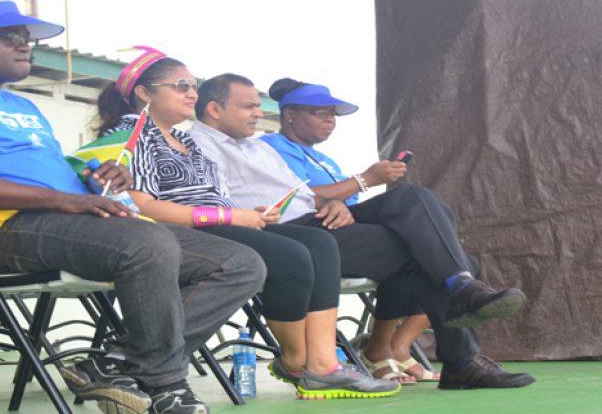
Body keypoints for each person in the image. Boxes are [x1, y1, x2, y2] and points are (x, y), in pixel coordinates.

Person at [0, 1, 266, 414]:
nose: (25, 47)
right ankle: (165, 385)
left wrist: (94, 177)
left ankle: (116, 362)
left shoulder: (21, 106)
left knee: (240, 262)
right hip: (2, 226)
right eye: (11, 38)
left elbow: (49, 172)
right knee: (148, 242)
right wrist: (65, 199)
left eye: (27, 40)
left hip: (68, 218)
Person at [188, 73, 537, 389]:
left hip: (322, 220)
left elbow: (306, 196)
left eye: (332, 114)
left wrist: (332, 203)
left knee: (414, 199)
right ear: (215, 110)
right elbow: (219, 206)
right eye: (248, 106)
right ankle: (458, 351)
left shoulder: (254, 147)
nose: (256, 112)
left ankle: (460, 288)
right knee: (426, 250)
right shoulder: (201, 147)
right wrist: (360, 182)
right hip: (288, 234)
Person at [90, 46, 399, 400]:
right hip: (179, 232)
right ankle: (301, 362)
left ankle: (324, 362)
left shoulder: (185, 138)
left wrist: (250, 213)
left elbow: (214, 196)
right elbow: (142, 205)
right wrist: (229, 216)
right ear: (145, 93)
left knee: (319, 243)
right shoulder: (132, 134)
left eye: (193, 85)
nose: (192, 92)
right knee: (290, 255)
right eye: (180, 86)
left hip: (218, 222)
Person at [261, 78, 439, 383]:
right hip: (304, 235)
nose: (330, 120)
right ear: (289, 115)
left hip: (343, 228)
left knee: (440, 251)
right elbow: (300, 199)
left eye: (333, 115)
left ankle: (397, 346)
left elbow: (344, 202)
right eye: (320, 113)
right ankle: (379, 349)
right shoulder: (269, 148)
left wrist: (343, 200)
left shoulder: (326, 159)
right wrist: (366, 178)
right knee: (419, 246)